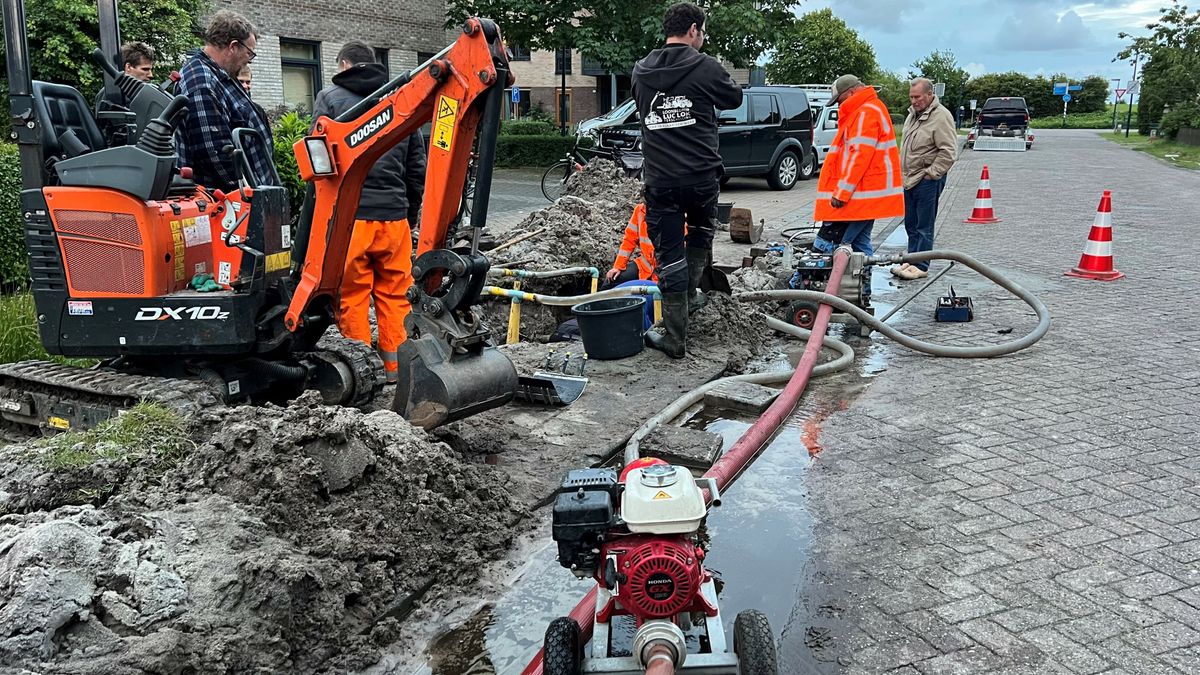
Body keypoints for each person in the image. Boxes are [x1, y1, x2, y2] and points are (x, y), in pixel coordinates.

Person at [632, 2, 742, 359]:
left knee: (668, 254)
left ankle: (675, 335)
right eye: (703, 31)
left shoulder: (640, 70)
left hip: (661, 179)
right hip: (701, 176)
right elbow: (734, 98)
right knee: (699, 234)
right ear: (693, 30)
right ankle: (690, 297)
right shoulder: (705, 66)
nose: (704, 38)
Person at [312, 41, 426, 384]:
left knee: (353, 296)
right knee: (395, 293)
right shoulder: (401, 100)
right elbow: (416, 167)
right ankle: (397, 369)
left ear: (344, 64)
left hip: (352, 220)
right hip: (394, 218)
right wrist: (409, 209)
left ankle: (364, 374)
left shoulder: (329, 99)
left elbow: (319, 161)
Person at [176, 10, 277, 191]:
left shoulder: (219, 74)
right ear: (233, 46)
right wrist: (248, 193)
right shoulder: (201, 82)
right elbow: (213, 153)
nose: (250, 61)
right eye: (249, 53)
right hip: (232, 208)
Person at [812, 74, 903, 259]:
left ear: (851, 92)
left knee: (831, 243)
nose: (839, 105)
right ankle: (864, 286)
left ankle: (833, 285)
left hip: (860, 196)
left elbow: (859, 156)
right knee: (860, 244)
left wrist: (842, 192)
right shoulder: (869, 109)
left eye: (840, 100)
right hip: (865, 196)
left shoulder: (865, 112)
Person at [894, 77, 957, 280]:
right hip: (910, 179)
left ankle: (921, 265)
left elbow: (948, 151)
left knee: (924, 225)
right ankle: (911, 260)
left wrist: (932, 174)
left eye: (917, 97)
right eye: (911, 97)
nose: (913, 101)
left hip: (926, 180)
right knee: (911, 224)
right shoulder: (912, 116)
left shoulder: (941, 117)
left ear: (930, 95)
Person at [94, 42, 156, 142]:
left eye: (151, 70)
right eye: (145, 69)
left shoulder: (146, 96)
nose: (150, 75)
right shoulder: (110, 94)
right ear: (128, 67)